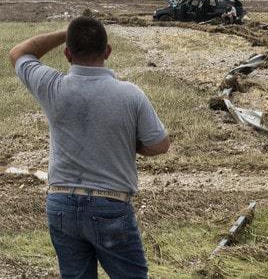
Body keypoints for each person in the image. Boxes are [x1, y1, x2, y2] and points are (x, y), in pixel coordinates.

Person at [8, 17, 170, 278]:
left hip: (61, 202)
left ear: (67, 53)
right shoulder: (131, 94)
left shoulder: (52, 86)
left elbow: (19, 52)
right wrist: (128, 144)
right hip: (111, 204)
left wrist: (68, 32)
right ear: (107, 51)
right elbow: (160, 144)